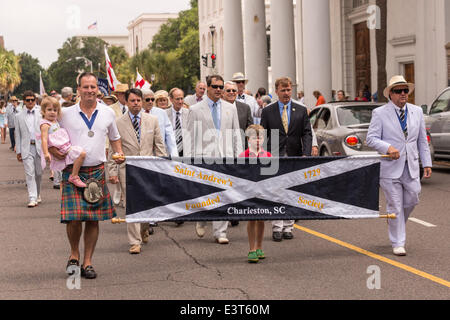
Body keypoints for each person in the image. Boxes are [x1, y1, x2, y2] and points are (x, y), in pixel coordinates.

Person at [49, 72, 125, 279]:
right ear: (79, 89)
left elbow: (115, 138)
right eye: (86, 87)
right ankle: (74, 254)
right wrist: (53, 151)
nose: (90, 90)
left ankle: (88, 262)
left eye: (93, 87)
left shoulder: (108, 112)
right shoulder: (65, 113)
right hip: (73, 170)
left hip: (96, 171)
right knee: (74, 219)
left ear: (97, 89)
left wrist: (118, 154)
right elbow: (53, 137)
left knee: (93, 220)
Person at [366, 75, 432, 256]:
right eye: (398, 91)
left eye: (405, 90)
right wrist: (388, 147)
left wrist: (426, 163)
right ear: (391, 95)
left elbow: (421, 141)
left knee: (413, 198)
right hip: (389, 167)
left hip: (411, 165)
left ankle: (395, 222)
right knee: (395, 205)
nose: (403, 94)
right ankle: (398, 242)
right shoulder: (380, 113)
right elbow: (371, 138)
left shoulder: (417, 111)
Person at [185, 75, 243, 244]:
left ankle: (220, 232)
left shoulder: (230, 108)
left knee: (224, 194)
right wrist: (190, 161)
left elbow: (236, 134)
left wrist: (238, 157)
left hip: (226, 156)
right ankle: (202, 218)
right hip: (204, 157)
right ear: (208, 88)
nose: (219, 89)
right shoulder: (195, 109)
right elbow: (189, 136)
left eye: (221, 86)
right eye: (215, 86)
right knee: (206, 193)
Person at [109, 88, 167, 254]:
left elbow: (159, 145)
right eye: (132, 101)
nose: (136, 104)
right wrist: (112, 171)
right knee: (131, 205)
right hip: (127, 169)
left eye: (138, 101)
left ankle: (144, 228)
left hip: (148, 168)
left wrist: (164, 167)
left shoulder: (152, 120)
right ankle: (134, 242)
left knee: (148, 204)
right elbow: (113, 149)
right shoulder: (118, 123)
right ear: (126, 102)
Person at [261, 77, 312, 242]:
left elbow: (307, 133)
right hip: (275, 156)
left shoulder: (301, 109)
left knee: (291, 191)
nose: (286, 93)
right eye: (283, 90)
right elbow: (263, 135)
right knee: (276, 192)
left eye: (289, 90)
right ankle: (277, 227)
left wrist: (306, 153)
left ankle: (289, 226)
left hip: (294, 155)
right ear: (276, 91)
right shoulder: (268, 111)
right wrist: (263, 155)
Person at [239, 124, 271, 263]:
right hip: (249, 191)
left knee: (261, 219)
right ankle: (251, 249)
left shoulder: (268, 155)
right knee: (251, 219)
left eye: (260, 138)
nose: (257, 140)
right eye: (254, 138)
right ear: (248, 139)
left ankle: (259, 246)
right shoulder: (242, 155)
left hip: (263, 191)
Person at [39, 97, 86, 188]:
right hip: (63, 148)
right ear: (43, 111)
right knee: (82, 154)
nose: (52, 112)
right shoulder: (45, 124)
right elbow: (44, 139)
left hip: (66, 146)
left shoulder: (55, 121)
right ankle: (74, 176)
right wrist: (46, 153)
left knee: (79, 156)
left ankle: (73, 175)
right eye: (49, 110)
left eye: (55, 110)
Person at [15, 91, 43, 208]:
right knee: (29, 174)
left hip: (39, 147)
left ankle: (38, 193)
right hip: (27, 148)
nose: (30, 102)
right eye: (28, 100)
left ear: (35, 100)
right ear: (24, 101)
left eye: (32, 100)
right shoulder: (18, 116)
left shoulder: (41, 113)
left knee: (38, 173)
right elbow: (18, 134)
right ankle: (32, 197)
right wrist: (18, 151)